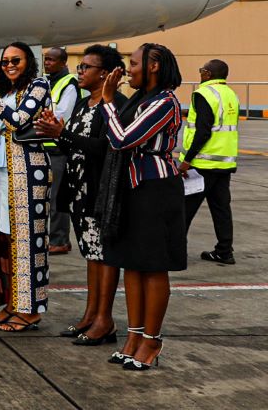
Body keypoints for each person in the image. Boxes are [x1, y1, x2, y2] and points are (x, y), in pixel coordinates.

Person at [95, 43, 185, 370]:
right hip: (132, 188)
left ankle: (152, 340)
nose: (128, 69)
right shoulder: (140, 100)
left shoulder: (165, 103)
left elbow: (121, 139)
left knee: (152, 265)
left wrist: (106, 101)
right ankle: (133, 336)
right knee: (131, 264)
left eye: (133, 63)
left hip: (155, 189)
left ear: (154, 66)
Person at [35, 44, 127, 345]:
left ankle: (105, 320)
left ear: (105, 74)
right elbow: (71, 145)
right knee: (91, 255)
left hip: (98, 192)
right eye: (81, 66)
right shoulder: (84, 104)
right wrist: (55, 132)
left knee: (104, 256)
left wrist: (62, 134)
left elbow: (103, 148)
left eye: (87, 67)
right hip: (78, 191)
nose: (81, 71)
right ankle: (91, 315)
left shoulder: (115, 106)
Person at [0, 41, 52, 331]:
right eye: (5, 61)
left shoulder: (39, 86)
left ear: (28, 61)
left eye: (16, 60)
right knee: (6, 239)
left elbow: (18, 121)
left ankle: (32, 310)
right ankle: (13, 304)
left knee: (29, 241)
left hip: (29, 172)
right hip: (2, 171)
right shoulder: (5, 92)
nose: (9, 65)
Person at [181, 59, 240, 265]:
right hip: (224, 163)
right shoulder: (231, 94)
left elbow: (203, 131)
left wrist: (187, 160)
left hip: (203, 163)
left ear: (207, 74)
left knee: (185, 207)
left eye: (201, 70)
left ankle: (177, 252)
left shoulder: (203, 94)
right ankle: (224, 251)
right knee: (221, 208)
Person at [43, 46, 79, 255]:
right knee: (47, 196)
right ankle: (54, 237)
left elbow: (62, 114)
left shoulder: (69, 83)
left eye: (51, 60)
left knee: (56, 198)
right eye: (46, 59)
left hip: (58, 149)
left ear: (63, 62)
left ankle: (60, 240)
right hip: (46, 146)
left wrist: (39, 116)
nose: (47, 63)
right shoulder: (48, 81)